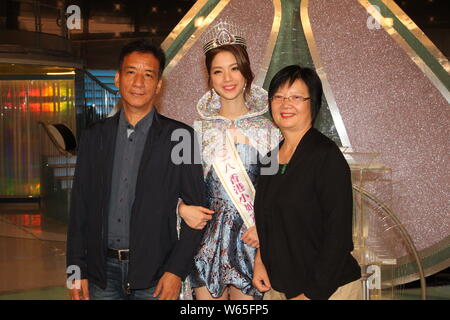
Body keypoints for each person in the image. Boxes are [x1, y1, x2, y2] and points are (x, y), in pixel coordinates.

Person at [66, 40, 205, 300]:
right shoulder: (94, 137)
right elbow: (79, 209)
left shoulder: (180, 137)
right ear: (118, 79)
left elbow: (198, 213)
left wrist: (176, 271)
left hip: (156, 275)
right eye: (131, 72)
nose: (139, 82)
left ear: (159, 85)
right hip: (101, 274)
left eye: (148, 74)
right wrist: (75, 271)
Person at [177, 21, 281, 300]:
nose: (227, 78)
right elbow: (173, 186)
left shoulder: (270, 132)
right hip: (205, 241)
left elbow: (279, 191)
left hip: (252, 239)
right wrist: (181, 208)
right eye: (218, 71)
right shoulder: (193, 132)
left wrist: (266, 229)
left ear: (246, 72)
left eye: (234, 68)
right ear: (209, 78)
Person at [252, 65, 362, 300]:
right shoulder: (270, 158)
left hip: (327, 289)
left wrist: (312, 293)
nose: (285, 104)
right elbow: (267, 221)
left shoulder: (326, 156)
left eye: (295, 97)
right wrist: (260, 261)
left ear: (313, 103)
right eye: (278, 97)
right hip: (279, 285)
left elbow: (339, 236)